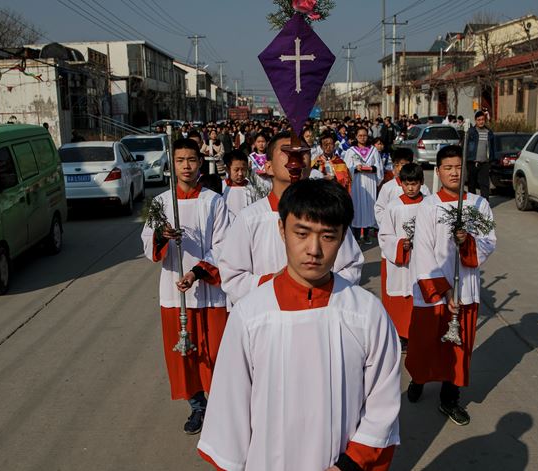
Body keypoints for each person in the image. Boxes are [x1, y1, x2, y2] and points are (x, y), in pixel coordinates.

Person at [198, 179, 401, 471]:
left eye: (328, 236)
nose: (314, 249)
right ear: (282, 230)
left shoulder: (366, 314)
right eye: (302, 233)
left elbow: (383, 404)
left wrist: (352, 464)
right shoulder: (250, 315)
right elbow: (230, 413)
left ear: (344, 237)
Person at [140, 138, 232, 435]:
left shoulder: (214, 201)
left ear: (200, 162)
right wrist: (161, 236)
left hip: (207, 291)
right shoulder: (162, 203)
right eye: (180, 160)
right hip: (174, 292)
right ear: (173, 164)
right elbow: (146, 245)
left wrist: (196, 272)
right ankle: (197, 406)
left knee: (214, 351)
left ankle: (220, 407)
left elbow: (223, 245)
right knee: (184, 354)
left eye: (191, 159)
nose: (186, 166)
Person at [217, 131, 364, 305]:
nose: (296, 157)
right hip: (269, 315)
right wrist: (277, 283)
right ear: (268, 166)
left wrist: (319, 286)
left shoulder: (326, 212)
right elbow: (233, 276)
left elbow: (351, 265)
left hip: (320, 311)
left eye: (303, 152)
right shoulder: (250, 218)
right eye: (286, 151)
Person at [405, 144, 496, 426]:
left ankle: (449, 398)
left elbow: (488, 241)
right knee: (424, 344)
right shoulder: (429, 207)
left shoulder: (479, 205)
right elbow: (422, 251)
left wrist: (466, 242)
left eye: (458, 167)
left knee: (458, 349)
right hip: (434, 292)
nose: (454, 173)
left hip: (465, 290)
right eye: (448, 168)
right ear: (439, 171)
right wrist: (444, 289)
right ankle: (419, 379)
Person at [378, 163, 426, 349]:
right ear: (401, 183)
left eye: (414, 184)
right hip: (401, 260)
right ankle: (400, 335)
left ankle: (418, 334)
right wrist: (399, 245)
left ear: (421, 182)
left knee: (420, 296)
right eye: (407, 184)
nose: (411, 188)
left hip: (422, 259)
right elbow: (384, 235)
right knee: (401, 296)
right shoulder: (394, 206)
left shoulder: (428, 204)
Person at [344, 127, 383, 245]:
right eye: (360, 135)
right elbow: (346, 168)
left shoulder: (373, 150)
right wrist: (355, 168)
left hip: (370, 181)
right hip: (357, 182)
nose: (362, 137)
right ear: (356, 136)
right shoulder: (351, 151)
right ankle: (356, 235)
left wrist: (373, 169)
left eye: (364, 135)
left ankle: (365, 235)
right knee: (357, 206)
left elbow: (379, 166)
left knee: (368, 207)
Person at [465, 110, 494, 201]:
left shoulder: (489, 132)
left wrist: (491, 160)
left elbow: (492, 147)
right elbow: (465, 146)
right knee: (472, 184)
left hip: (484, 163)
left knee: (484, 185)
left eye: (482, 119)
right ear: (475, 120)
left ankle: (484, 204)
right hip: (472, 162)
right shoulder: (471, 132)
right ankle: (472, 204)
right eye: (479, 120)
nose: (481, 121)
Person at [221, 150, 255, 221]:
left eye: (243, 169)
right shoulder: (222, 187)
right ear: (227, 169)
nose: (240, 173)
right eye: (236, 170)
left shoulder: (252, 187)